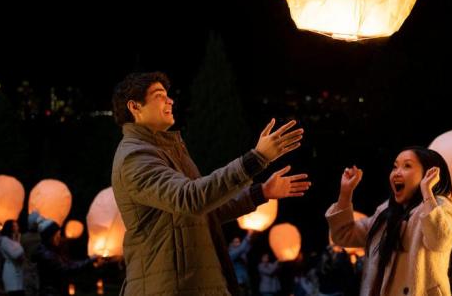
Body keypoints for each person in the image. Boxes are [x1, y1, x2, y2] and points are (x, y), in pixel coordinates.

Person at [111, 71, 311, 296]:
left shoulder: (168, 151)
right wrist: (256, 159)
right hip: (170, 286)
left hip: (192, 283)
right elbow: (190, 199)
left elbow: (206, 211)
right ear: (134, 107)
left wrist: (261, 193)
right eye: (159, 95)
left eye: (168, 94)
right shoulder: (135, 156)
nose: (170, 100)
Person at [326, 146, 452, 296]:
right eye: (395, 167)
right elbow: (343, 235)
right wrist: (345, 193)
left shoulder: (439, 206)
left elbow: (439, 239)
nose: (396, 173)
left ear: (428, 174)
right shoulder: (385, 213)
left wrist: (427, 192)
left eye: (407, 166)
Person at [32, 218, 99, 296]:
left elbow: (69, 263)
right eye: (56, 235)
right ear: (49, 237)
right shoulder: (47, 255)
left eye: (59, 234)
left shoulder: (52, 251)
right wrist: (90, 261)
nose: (59, 237)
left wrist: (90, 261)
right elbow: (67, 269)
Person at [0, 219, 25, 296]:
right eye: (15, 226)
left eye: (17, 226)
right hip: (11, 272)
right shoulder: (5, 240)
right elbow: (15, 254)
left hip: (19, 271)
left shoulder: (14, 241)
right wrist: (21, 245)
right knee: (14, 293)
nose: (18, 228)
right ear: (10, 228)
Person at [229, 231, 253, 295]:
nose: (238, 243)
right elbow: (242, 248)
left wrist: (251, 237)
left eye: (239, 242)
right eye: (236, 242)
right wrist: (248, 235)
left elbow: (247, 247)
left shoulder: (241, 253)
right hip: (239, 282)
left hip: (246, 281)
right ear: (231, 244)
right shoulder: (231, 253)